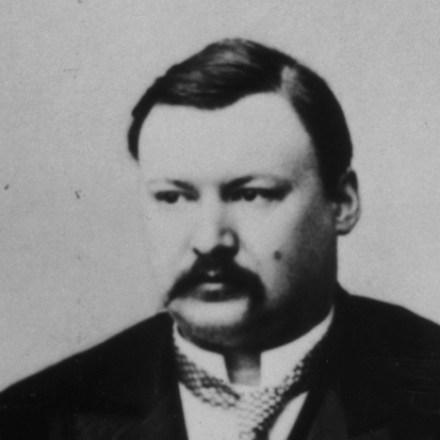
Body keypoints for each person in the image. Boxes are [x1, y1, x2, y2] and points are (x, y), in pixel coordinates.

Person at [0, 38, 439, 440]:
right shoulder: (33, 421)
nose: (210, 240)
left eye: (251, 194)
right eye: (173, 197)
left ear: (342, 203)